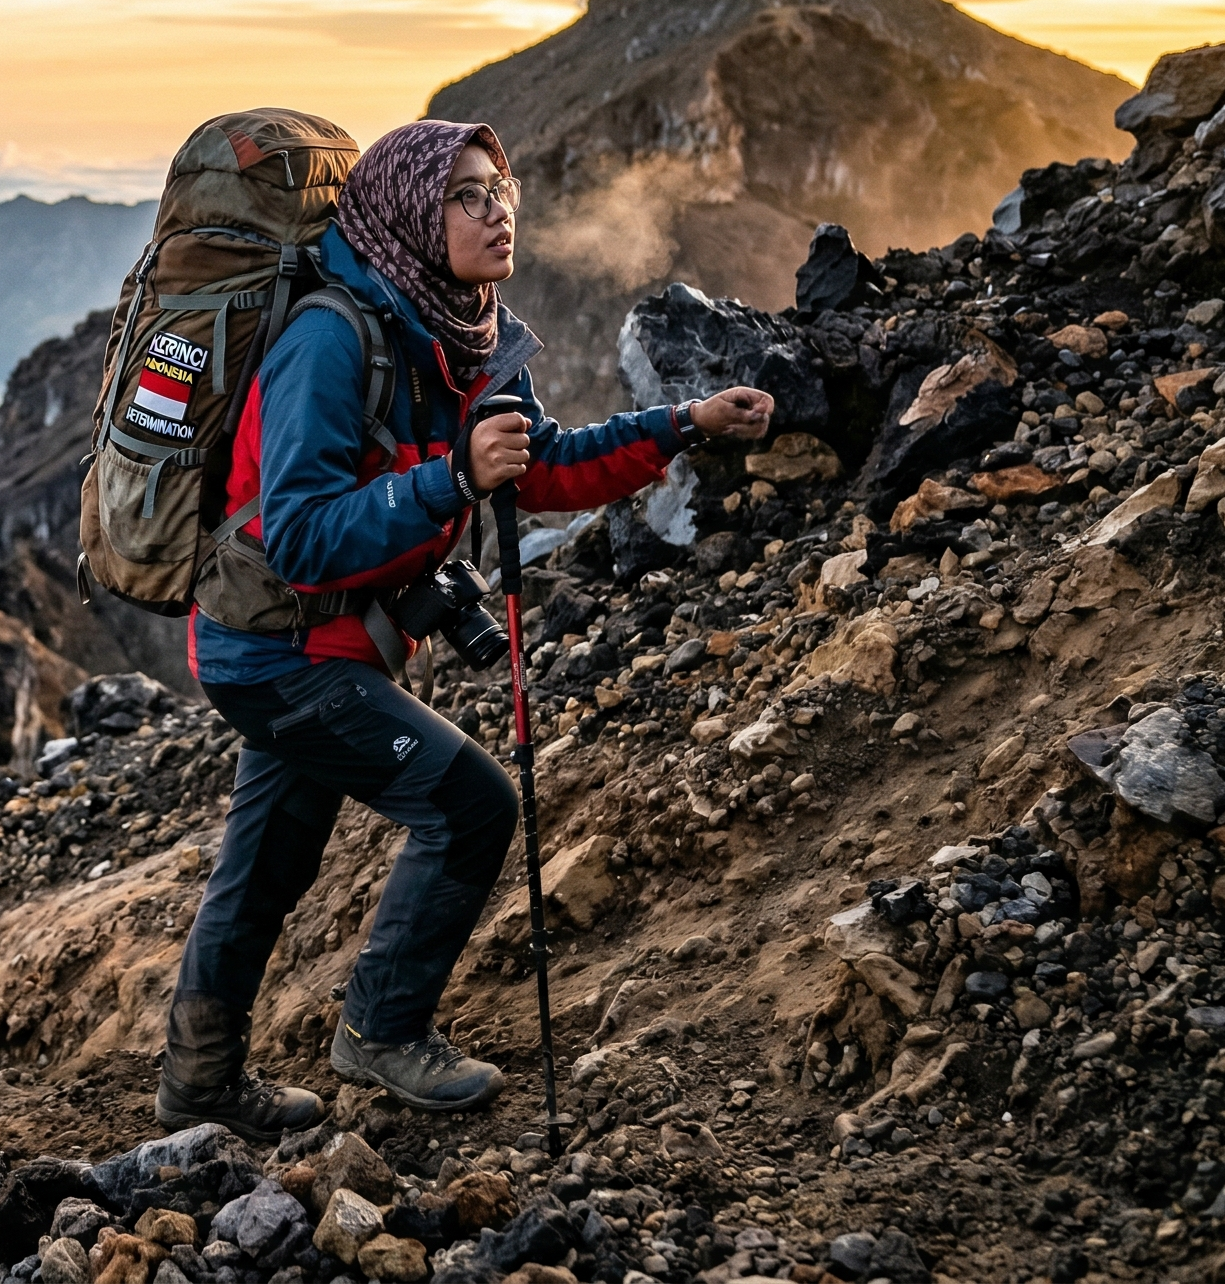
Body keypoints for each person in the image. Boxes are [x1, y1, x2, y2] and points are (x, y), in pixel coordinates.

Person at [158, 119, 774, 1140]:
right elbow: (301, 538)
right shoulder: (327, 340)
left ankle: (199, 1087)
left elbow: (540, 464)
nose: (496, 212)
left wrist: (682, 424)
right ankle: (380, 1034)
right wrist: (447, 479)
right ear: (410, 213)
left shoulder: (466, 330)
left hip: (330, 645)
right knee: (471, 806)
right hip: (271, 648)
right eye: (467, 195)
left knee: (267, 860)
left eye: (502, 191)